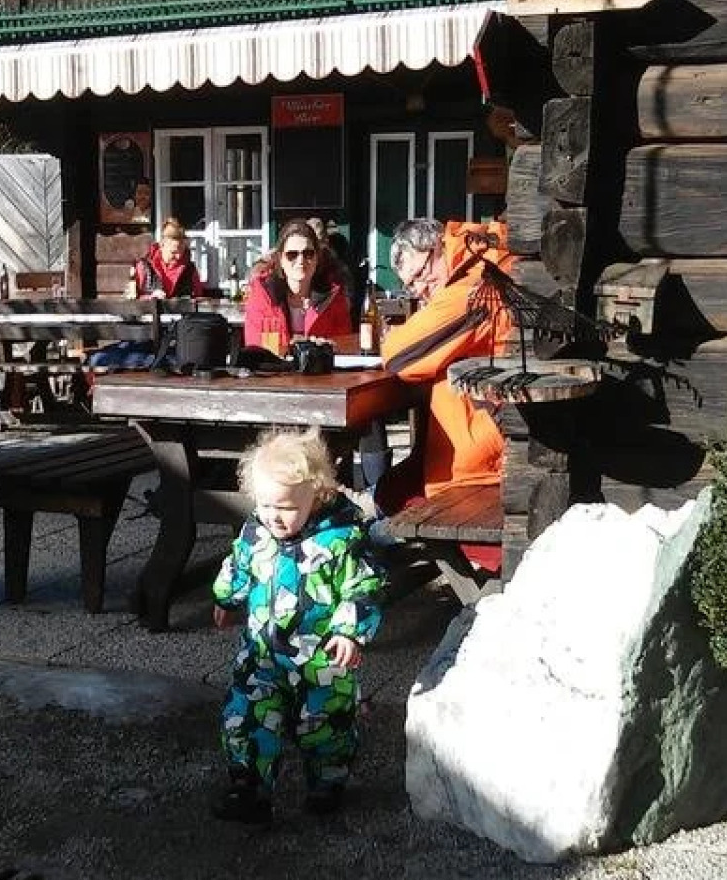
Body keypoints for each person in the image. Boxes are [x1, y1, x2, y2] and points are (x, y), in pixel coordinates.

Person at [209, 426, 385, 826]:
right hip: (262, 654)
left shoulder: (340, 538)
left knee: (324, 724)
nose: (276, 516)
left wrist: (348, 630)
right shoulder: (257, 531)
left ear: (317, 494)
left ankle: (327, 779)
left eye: (287, 507)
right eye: (268, 505)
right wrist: (226, 597)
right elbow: (239, 563)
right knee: (248, 714)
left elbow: (365, 583)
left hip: (320, 659)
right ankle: (249, 785)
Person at [374, 217, 516, 574]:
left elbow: (398, 357)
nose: (421, 290)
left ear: (438, 247)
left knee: (385, 516)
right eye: (411, 288)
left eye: (421, 276)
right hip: (500, 437)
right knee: (391, 491)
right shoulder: (485, 259)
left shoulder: (475, 283)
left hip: (490, 463)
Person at [242, 219, 353, 355]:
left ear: (317, 258)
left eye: (308, 254)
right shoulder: (262, 295)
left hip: (321, 373)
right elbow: (255, 351)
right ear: (280, 259)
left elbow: (345, 347)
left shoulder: (334, 296)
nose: (300, 261)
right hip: (275, 373)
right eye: (292, 255)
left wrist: (329, 348)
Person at [132, 217, 204, 299]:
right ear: (162, 246)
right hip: (151, 311)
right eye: (173, 252)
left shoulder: (190, 269)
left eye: (182, 251)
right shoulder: (144, 266)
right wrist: (150, 297)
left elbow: (199, 297)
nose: (179, 256)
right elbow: (133, 297)